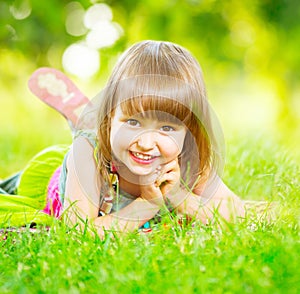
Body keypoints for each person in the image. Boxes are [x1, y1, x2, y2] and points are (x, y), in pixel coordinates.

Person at [0, 40, 246, 237]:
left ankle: (98, 121)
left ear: (188, 131)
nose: (147, 144)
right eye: (134, 122)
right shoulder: (87, 157)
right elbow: (77, 234)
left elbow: (239, 215)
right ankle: (88, 126)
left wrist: (183, 198)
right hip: (52, 180)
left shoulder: (190, 158)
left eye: (167, 128)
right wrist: (146, 205)